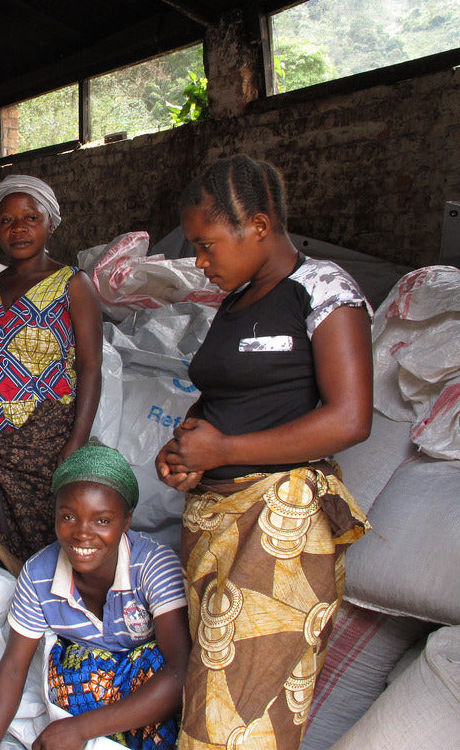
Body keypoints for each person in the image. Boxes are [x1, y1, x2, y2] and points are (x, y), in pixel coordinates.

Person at [154, 154, 372, 750]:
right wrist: (186, 448)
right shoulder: (234, 304)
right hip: (214, 522)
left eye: (206, 245)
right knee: (214, 701)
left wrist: (224, 446)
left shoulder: (322, 289)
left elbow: (351, 418)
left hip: (281, 528)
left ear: (256, 225)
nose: (199, 263)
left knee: (232, 725)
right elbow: (223, 396)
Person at [0, 174, 103, 574]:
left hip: (46, 438)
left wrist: (75, 441)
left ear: (51, 223)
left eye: (30, 217)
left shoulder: (72, 285)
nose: (19, 228)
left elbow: (90, 367)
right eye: (7, 220)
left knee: (49, 536)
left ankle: (47, 604)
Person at [0, 440, 190, 750]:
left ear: (126, 521)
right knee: (71, 664)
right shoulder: (39, 575)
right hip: (87, 689)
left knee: (156, 666)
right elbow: (13, 669)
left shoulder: (153, 566)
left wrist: (78, 729)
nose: (82, 533)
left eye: (102, 520)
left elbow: (180, 672)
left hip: (150, 694)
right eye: (69, 517)